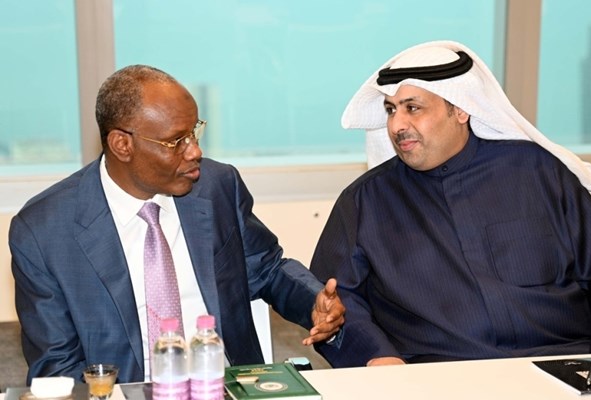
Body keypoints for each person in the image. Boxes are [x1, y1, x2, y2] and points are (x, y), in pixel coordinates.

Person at [309, 40, 591, 368]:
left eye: (413, 108)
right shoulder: (366, 202)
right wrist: (376, 355)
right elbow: (336, 302)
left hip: (563, 363)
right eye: (391, 110)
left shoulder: (539, 174)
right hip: (439, 376)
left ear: (460, 109)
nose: (397, 125)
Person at [9, 65, 345, 384]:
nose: (195, 151)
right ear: (122, 145)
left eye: (194, 132)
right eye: (176, 141)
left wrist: (312, 302)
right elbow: (57, 366)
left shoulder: (216, 187)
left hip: (225, 386)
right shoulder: (44, 231)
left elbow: (268, 270)